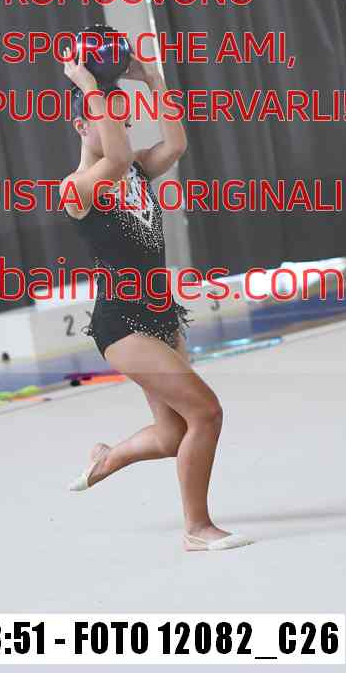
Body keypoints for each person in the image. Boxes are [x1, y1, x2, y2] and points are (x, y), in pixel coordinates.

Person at [59, 37, 252, 552]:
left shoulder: (138, 169)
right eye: (104, 119)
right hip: (122, 324)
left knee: (171, 435)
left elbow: (176, 144)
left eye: (123, 121)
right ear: (81, 125)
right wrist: (88, 84)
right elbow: (116, 158)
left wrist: (153, 80)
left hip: (163, 315)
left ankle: (107, 458)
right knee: (206, 413)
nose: (117, 128)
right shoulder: (77, 187)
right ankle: (197, 529)